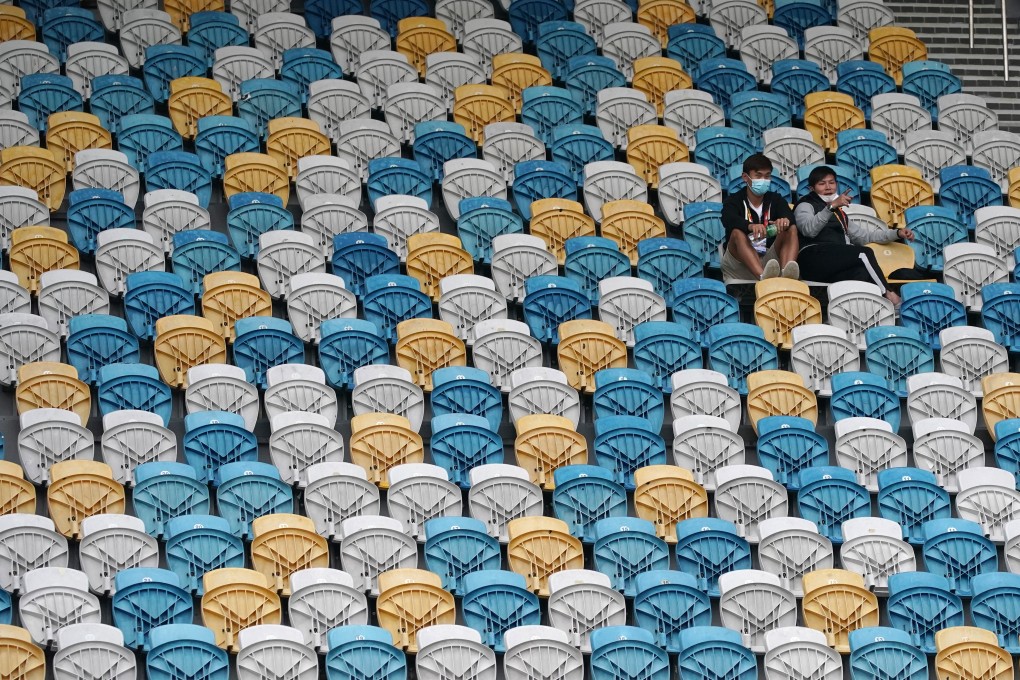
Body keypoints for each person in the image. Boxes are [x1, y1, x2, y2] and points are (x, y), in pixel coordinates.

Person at [793, 165, 914, 307]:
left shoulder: (839, 213)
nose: (828, 187)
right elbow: (809, 230)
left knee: (861, 273)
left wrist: (896, 233)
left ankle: (866, 310)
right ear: (811, 189)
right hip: (812, 258)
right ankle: (889, 295)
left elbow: (865, 236)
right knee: (863, 253)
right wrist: (830, 207)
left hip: (833, 262)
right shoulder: (805, 204)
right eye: (822, 183)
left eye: (831, 183)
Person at [721, 153, 800, 282]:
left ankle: (787, 276)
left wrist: (784, 220)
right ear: (745, 177)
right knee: (736, 233)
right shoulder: (733, 200)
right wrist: (750, 226)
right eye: (758, 175)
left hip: (770, 261)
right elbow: (728, 219)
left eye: (767, 176)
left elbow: (789, 215)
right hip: (740, 262)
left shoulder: (776, 199)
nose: (763, 180)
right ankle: (763, 278)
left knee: (791, 228)